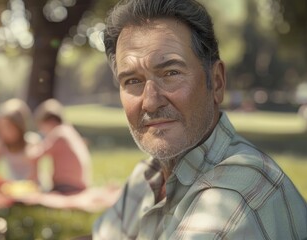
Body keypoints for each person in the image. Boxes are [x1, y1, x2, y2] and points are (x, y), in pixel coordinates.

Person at [93, 0, 307, 239]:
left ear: (216, 82)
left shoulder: (234, 194)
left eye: (171, 73)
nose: (150, 102)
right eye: (132, 80)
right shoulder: (148, 174)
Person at [31, 99, 91, 195]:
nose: (41, 131)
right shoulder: (69, 131)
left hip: (67, 185)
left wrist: (31, 144)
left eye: (41, 126)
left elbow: (35, 155)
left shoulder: (58, 133)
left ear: (49, 121)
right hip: (79, 183)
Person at [0, 98, 39, 185]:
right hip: (11, 186)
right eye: (1, 129)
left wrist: (21, 186)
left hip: (32, 186)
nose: (5, 132)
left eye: (8, 128)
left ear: (19, 126)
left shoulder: (31, 142)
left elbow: (34, 173)